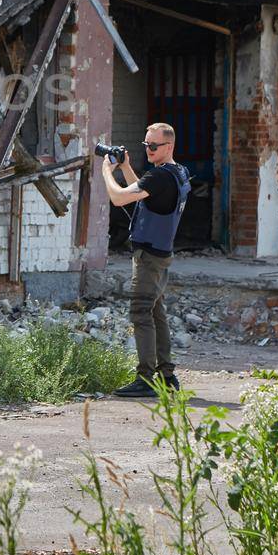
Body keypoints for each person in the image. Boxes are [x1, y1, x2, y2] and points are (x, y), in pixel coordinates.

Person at [100, 122, 191, 398]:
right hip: (161, 253)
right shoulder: (178, 173)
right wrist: (126, 167)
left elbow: (118, 199)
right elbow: (143, 190)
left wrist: (107, 170)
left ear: (169, 146)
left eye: (154, 146)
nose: (149, 150)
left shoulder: (160, 177)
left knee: (141, 312)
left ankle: (146, 378)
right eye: (146, 145)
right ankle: (166, 375)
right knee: (156, 312)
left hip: (149, 256)